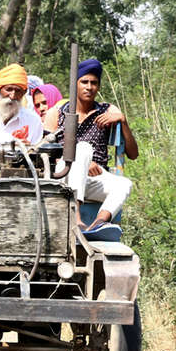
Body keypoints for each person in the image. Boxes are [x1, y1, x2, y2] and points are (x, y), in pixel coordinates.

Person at [44, 58, 139, 233]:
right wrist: (82, 162)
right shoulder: (57, 113)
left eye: (94, 83)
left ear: (99, 86)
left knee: (124, 184)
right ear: (75, 84)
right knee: (82, 149)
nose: (89, 87)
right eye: (84, 82)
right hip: (63, 174)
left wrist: (122, 120)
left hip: (94, 178)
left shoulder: (107, 111)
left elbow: (133, 154)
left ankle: (98, 224)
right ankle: (76, 216)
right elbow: (45, 154)